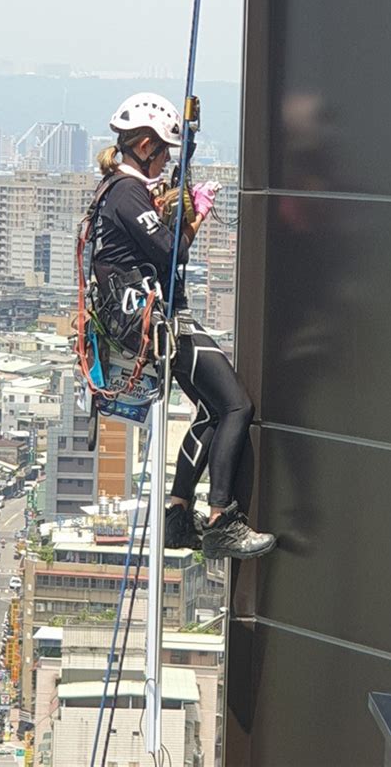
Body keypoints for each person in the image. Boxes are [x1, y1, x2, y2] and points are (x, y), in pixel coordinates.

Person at [93, 92, 276, 560]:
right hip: (156, 323)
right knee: (236, 406)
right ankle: (221, 521)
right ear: (147, 145)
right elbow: (173, 252)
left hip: (148, 323)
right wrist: (191, 215)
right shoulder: (126, 192)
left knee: (211, 412)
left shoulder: (121, 190)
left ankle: (177, 515)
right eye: (165, 151)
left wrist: (178, 207)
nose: (166, 160)